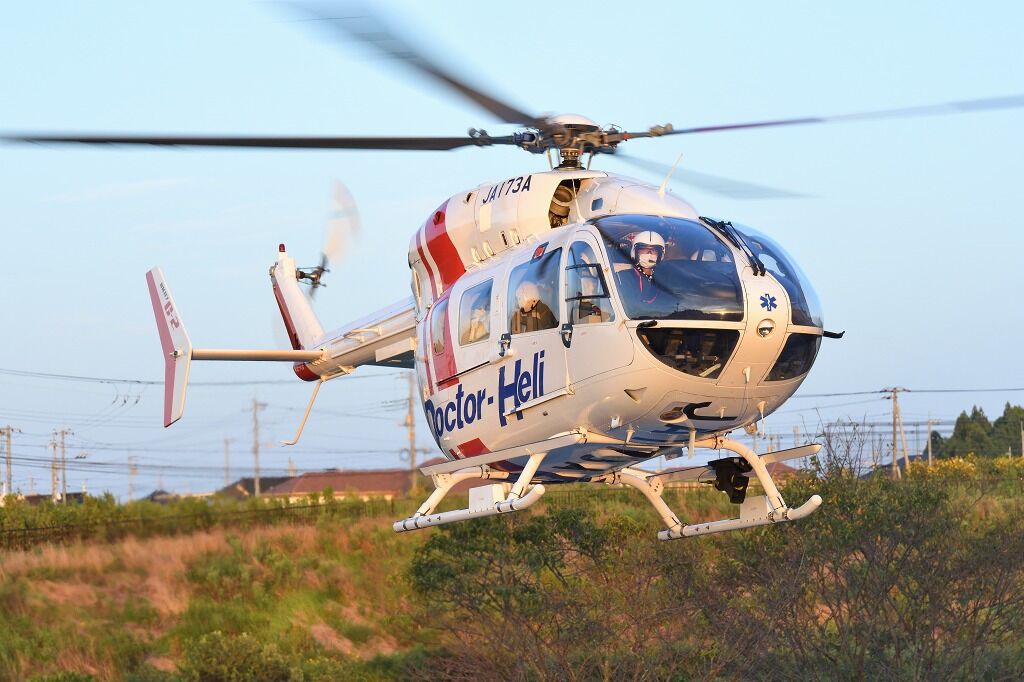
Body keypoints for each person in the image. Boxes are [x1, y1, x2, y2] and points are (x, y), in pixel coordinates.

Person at [619, 230, 665, 308]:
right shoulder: (624, 277)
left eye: (653, 250)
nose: (649, 254)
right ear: (635, 252)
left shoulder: (664, 279)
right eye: (644, 249)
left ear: (660, 255)